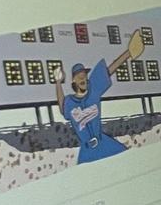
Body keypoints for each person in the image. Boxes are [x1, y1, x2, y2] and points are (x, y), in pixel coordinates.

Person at [56, 30, 146, 164]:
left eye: (85, 76)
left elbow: (109, 70)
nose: (83, 78)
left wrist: (128, 53)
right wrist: (58, 82)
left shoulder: (93, 90)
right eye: (79, 76)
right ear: (73, 81)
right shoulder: (70, 102)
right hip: (87, 150)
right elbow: (62, 106)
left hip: (104, 143)